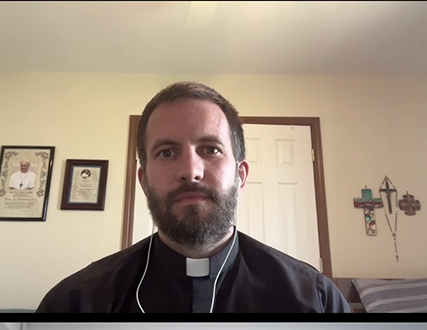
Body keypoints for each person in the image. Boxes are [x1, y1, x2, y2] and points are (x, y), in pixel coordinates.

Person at [36, 82, 351, 312]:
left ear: (240, 175)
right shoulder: (74, 303)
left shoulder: (317, 299)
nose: (190, 170)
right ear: (144, 181)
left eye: (211, 150)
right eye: (167, 152)